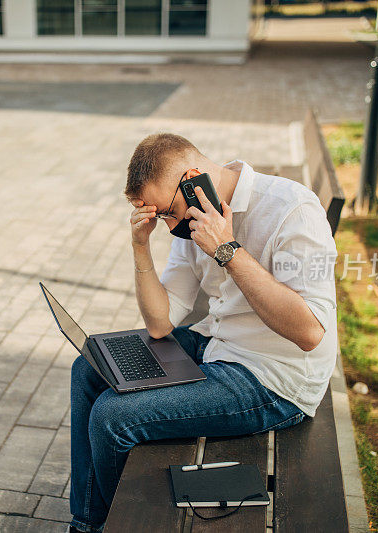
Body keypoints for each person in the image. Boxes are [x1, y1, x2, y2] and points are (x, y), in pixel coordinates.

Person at [67, 133, 339, 533]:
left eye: (169, 212)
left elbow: (309, 332)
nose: (170, 225)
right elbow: (161, 322)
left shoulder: (291, 209)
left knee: (112, 416)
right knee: (88, 367)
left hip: (275, 378)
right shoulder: (192, 219)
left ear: (194, 179)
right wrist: (140, 247)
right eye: (160, 217)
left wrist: (227, 249)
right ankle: (88, 524)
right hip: (219, 343)